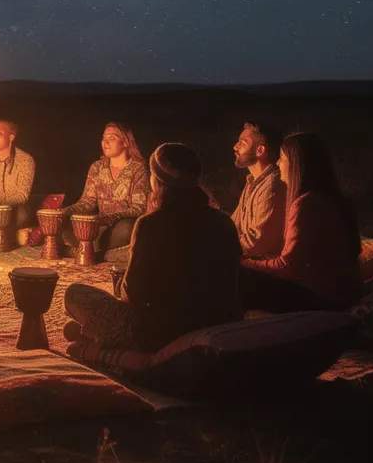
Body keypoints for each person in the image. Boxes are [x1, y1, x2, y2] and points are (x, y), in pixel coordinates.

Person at [65, 143, 242, 358]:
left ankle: (92, 341)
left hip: (158, 334)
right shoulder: (223, 222)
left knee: (75, 293)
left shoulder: (151, 224)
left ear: (157, 181)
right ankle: (89, 335)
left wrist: (121, 285)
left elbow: (133, 295)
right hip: (217, 324)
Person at [238, 133, 362, 312]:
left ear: (297, 163)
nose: (278, 163)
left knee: (239, 278)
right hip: (335, 291)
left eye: (281, 158)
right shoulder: (326, 198)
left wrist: (247, 263)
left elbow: (288, 266)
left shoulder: (308, 204)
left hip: (323, 297)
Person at [60, 122, 149, 256]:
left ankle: (83, 250)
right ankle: (100, 251)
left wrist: (111, 218)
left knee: (127, 229)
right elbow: (87, 201)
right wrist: (65, 211)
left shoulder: (137, 169)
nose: (105, 142)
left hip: (120, 225)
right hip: (99, 225)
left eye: (112, 138)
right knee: (68, 228)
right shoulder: (97, 167)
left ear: (125, 142)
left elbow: (139, 208)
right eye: (104, 138)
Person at [230, 121, 286, 258]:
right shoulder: (252, 182)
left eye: (242, 143)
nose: (235, 147)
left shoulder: (272, 185)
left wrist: (220, 250)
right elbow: (233, 226)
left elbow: (257, 241)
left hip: (265, 270)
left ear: (260, 151)